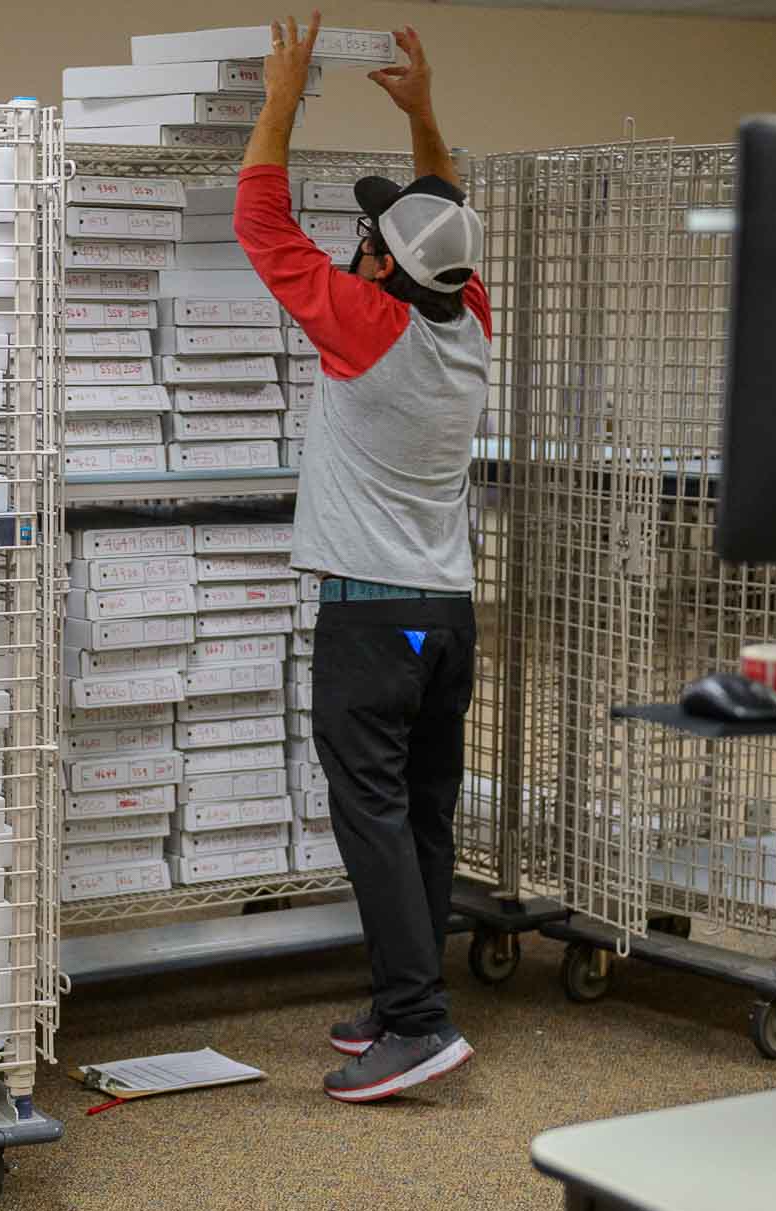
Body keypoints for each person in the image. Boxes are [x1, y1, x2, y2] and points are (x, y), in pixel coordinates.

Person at [236, 15, 491, 1102]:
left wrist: (282, 101)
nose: (362, 243)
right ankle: (404, 998)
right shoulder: (467, 315)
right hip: (443, 617)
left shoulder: (364, 324)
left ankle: (420, 1024)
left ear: (382, 263)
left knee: (374, 817)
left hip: (375, 623)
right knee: (422, 813)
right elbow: (446, 215)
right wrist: (423, 112)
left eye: (373, 235)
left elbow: (263, 229)